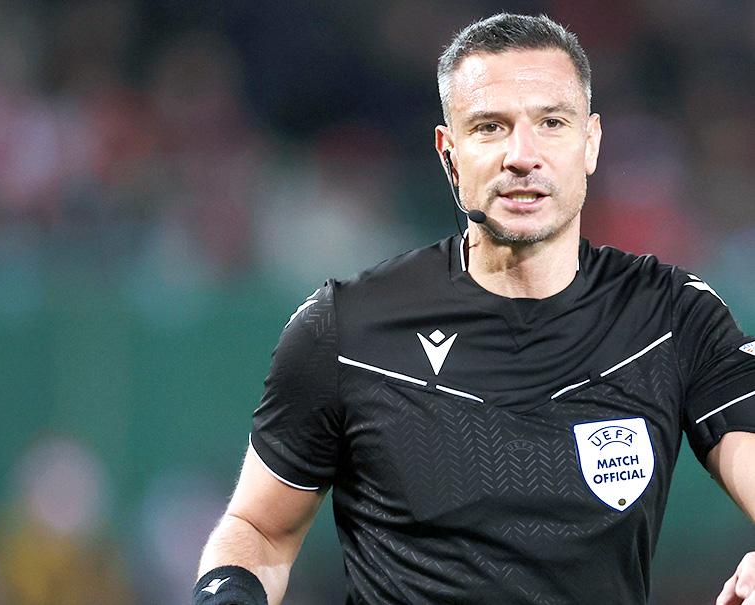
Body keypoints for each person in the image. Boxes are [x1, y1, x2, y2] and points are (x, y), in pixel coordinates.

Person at [195, 13, 755, 605]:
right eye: (490, 127)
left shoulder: (670, 317)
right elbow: (259, 531)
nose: (522, 155)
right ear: (450, 153)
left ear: (590, 143)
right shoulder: (347, 328)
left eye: (552, 123)